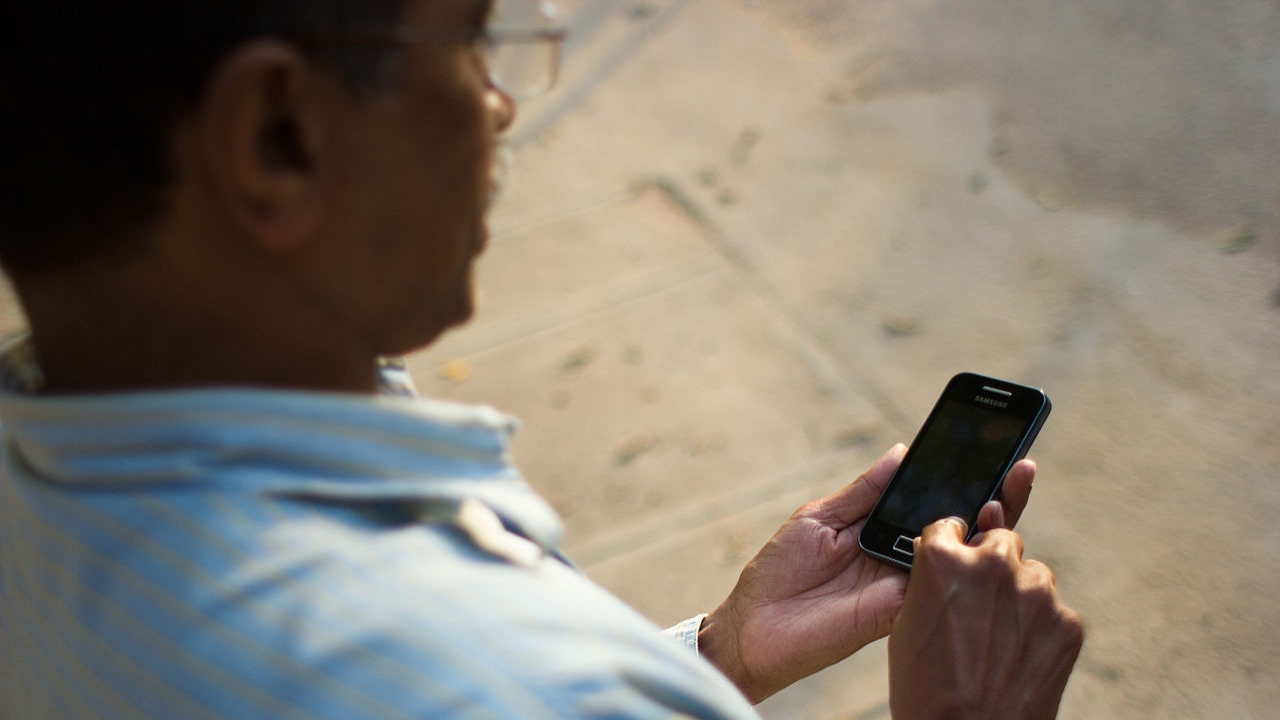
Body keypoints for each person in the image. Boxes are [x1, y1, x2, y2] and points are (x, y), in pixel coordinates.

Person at [0, 1, 1083, 718]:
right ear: (276, 137)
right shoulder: (494, 677)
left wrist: (714, 658)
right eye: (468, 40)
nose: (498, 103)